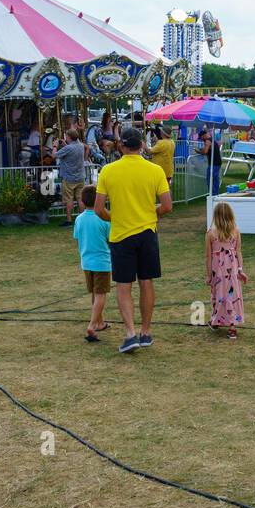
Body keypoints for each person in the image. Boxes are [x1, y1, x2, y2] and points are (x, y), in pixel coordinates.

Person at [94, 127, 172, 354]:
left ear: (121, 146)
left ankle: (130, 333)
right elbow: (167, 206)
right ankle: (146, 331)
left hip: (121, 234)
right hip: (147, 232)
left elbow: (99, 209)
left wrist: (115, 217)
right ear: (141, 145)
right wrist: (150, 213)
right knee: (146, 282)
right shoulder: (154, 170)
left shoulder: (108, 171)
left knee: (123, 286)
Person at [73, 185, 112, 343]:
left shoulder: (79, 219)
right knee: (101, 295)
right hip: (102, 263)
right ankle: (92, 325)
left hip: (86, 262)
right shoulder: (104, 219)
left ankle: (100, 323)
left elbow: (77, 237)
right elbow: (111, 239)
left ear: (82, 201)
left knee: (94, 294)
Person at [206, 201, 247, 340]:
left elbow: (208, 257)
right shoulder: (236, 231)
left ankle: (218, 321)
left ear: (215, 217)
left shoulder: (211, 233)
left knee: (219, 294)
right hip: (232, 271)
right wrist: (240, 270)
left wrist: (208, 275)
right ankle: (230, 327)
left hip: (218, 271)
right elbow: (238, 252)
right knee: (232, 296)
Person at [55, 128, 88, 225]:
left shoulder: (68, 148)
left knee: (68, 199)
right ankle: (83, 219)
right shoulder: (81, 146)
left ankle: (69, 220)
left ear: (69, 137)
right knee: (80, 199)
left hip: (69, 178)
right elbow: (71, 149)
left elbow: (54, 155)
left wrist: (54, 145)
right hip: (80, 176)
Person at [199, 129, 223, 196]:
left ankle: (212, 195)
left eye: (201, 138)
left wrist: (199, 152)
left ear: (203, 136)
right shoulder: (211, 139)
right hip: (217, 162)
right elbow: (208, 150)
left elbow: (205, 151)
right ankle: (216, 194)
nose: (201, 139)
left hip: (214, 163)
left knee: (210, 179)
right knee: (215, 179)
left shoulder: (207, 141)